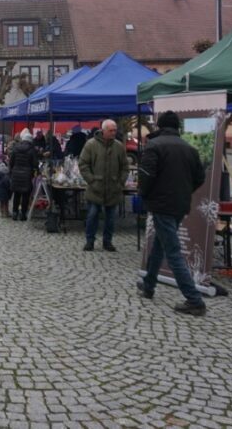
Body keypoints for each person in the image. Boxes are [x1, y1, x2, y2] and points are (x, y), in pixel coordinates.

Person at [138, 111, 208, 316]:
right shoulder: (190, 149)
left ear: (159, 126)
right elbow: (199, 177)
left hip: (162, 204)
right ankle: (149, 284)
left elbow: (146, 176)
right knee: (160, 244)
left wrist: (144, 194)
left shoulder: (155, 146)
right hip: (179, 204)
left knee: (172, 251)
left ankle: (194, 299)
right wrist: (185, 191)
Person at [78, 119, 129, 252]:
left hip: (113, 188)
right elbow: (83, 164)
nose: (113, 133)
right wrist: (92, 180)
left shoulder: (119, 146)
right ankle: (90, 241)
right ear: (104, 130)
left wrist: (120, 182)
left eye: (115, 130)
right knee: (92, 215)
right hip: (95, 188)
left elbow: (125, 167)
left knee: (111, 218)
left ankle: (108, 242)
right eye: (111, 130)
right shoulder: (91, 144)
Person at [9, 129, 37, 220]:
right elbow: (35, 164)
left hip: (16, 173)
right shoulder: (32, 150)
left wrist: (12, 171)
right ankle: (23, 214)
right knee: (25, 195)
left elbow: (11, 161)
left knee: (16, 194)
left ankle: (14, 212)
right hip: (27, 174)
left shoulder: (15, 148)